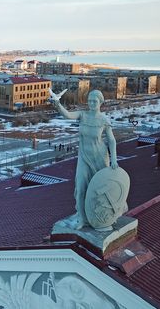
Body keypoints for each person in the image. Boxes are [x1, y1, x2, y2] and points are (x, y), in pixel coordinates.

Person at [50, 90, 118, 230]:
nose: (92, 103)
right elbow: (68, 115)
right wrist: (57, 104)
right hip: (84, 157)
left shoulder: (104, 120)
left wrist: (114, 159)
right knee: (81, 188)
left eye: (95, 101)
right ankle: (82, 217)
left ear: (100, 102)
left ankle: (101, 215)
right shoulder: (82, 115)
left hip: (99, 157)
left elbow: (111, 140)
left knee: (99, 190)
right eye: (90, 100)